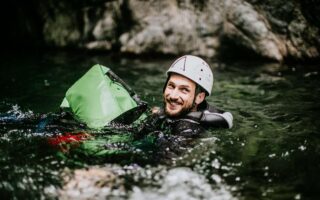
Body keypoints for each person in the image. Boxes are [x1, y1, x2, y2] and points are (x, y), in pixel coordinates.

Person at [139, 55, 233, 137]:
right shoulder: (158, 115)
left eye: (184, 90)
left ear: (199, 97)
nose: (173, 96)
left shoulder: (189, 131)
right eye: (171, 86)